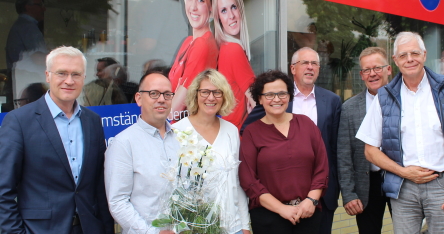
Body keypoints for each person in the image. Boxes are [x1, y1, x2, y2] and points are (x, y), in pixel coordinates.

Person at [356, 32, 444, 234]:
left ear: (424, 55)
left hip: (443, 184)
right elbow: (370, 150)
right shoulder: (384, 96)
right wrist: (403, 172)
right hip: (404, 188)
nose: (410, 59)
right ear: (395, 61)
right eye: (403, 55)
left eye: (414, 53)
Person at [0, 46, 114, 234]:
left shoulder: (93, 122)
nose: (69, 81)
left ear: (84, 78)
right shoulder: (20, 121)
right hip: (39, 230)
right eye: (62, 73)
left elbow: (98, 186)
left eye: (76, 74)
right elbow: (3, 190)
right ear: (47, 75)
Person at [242, 47, 342, 234]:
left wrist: (312, 200)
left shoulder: (308, 123)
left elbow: (324, 162)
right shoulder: (252, 132)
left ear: (289, 96)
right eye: (269, 95)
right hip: (269, 217)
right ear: (260, 100)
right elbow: (249, 179)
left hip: (309, 212)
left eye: (282, 94)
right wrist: (282, 209)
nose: (276, 99)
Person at [172, 69, 251, 234]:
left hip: (232, 227)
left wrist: (245, 225)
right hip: (193, 227)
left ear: (224, 97)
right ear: (195, 95)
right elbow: (172, 187)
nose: (211, 97)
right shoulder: (177, 132)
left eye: (217, 92)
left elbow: (237, 182)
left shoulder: (231, 131)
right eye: (205, 92)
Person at [104, 71, 179, 234]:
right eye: (154, 94)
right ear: (138, 98)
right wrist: (151, 232)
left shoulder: (182, 139)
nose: (161, 99)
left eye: (167, 94)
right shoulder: (123, 143)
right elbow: (118, 202)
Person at [337, 47, 392, 234]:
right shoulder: (349, 108)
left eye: (377, 68)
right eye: (367, 70)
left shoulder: (405, 100)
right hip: (367, 184)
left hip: (401, 181)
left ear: (389, 69)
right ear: (361, 75)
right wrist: (349, 194)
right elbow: (344, 154)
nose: (372, 74)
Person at [168, 0, 219, 117]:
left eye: (201, 0)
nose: (193, 7)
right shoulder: (189, 42)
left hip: (188, 132)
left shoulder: (203, 45)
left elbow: (174, 111)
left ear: (211, 7)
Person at [213, 0, 255, 130]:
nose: (231, 15)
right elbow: (260, 105)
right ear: (218, 18)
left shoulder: (225, 48)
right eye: (223, 11)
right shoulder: (233, 50)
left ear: (240, 9)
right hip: (236, 141)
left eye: (233, 7)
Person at [5, 0, 48, 112]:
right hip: (30, 82)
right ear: (28, 7)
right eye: (40, 5)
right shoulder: (28, 27)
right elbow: (39, 58)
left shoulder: (21, 26)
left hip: (22, 80)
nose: (44, 8)